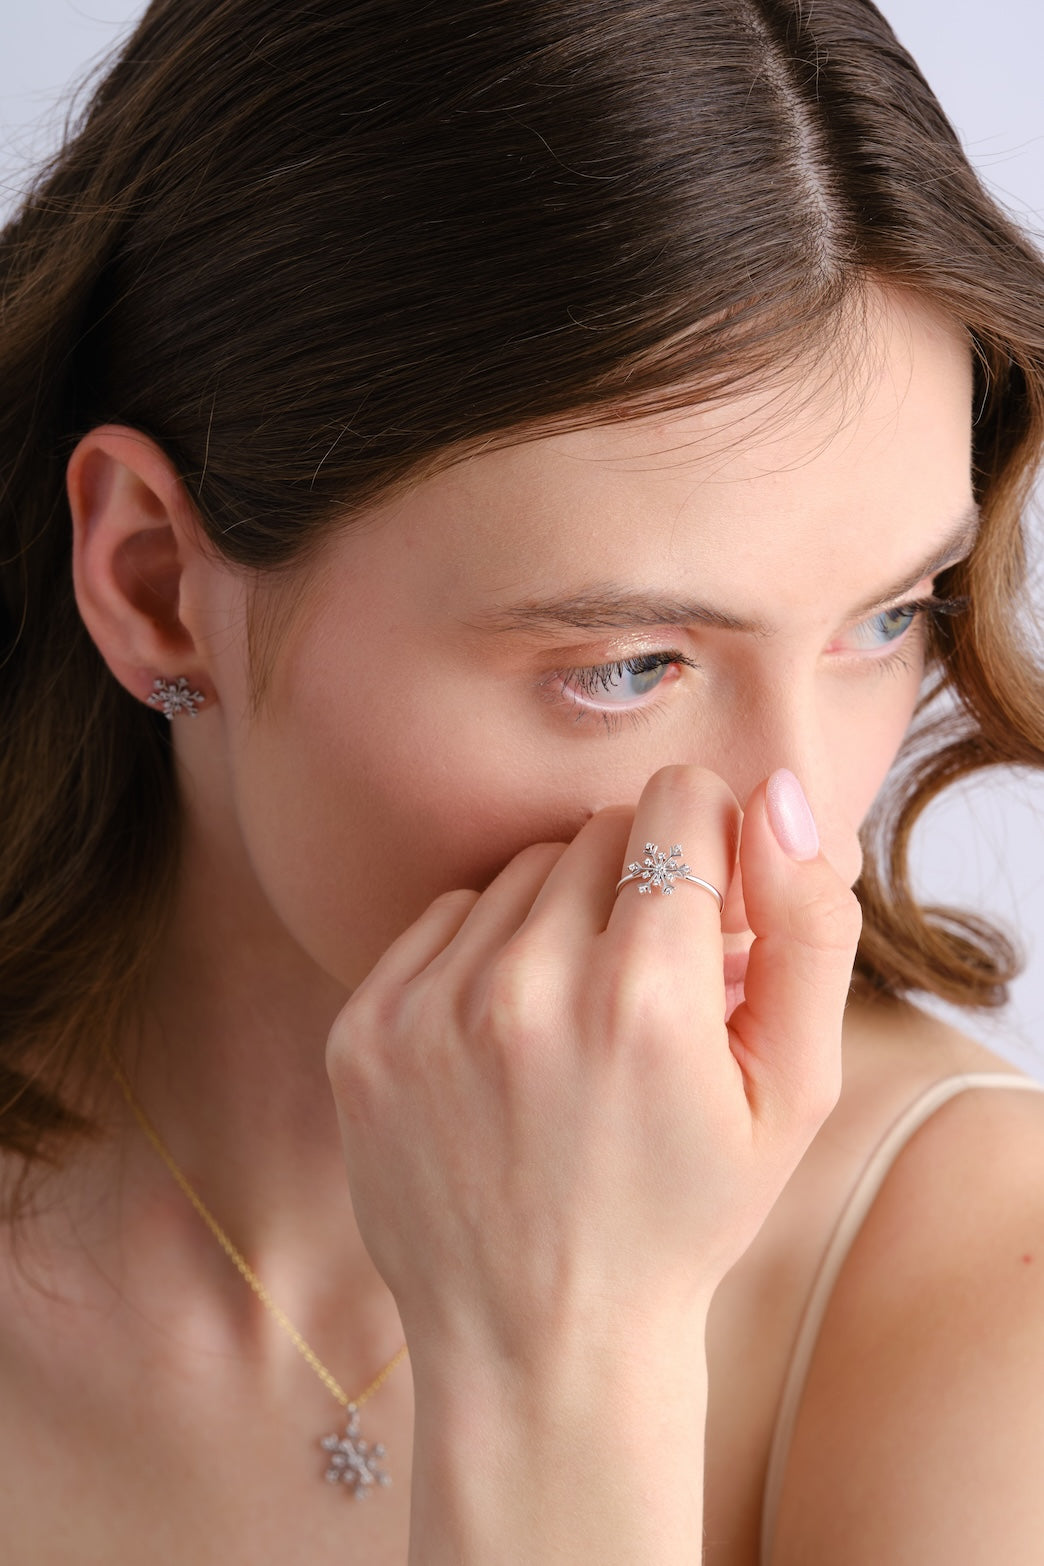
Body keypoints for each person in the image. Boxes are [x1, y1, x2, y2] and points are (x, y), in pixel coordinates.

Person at [2, 0, 1044, 1559]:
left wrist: (569, 1374)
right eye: (627, 665)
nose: (797, 834)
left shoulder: (980, 1281)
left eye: (884, 621)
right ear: (157, 582)